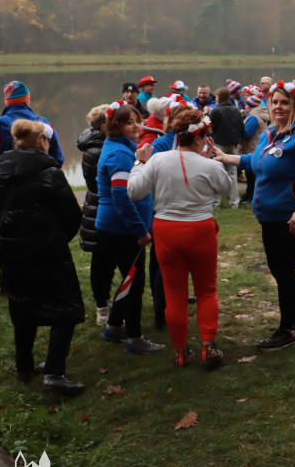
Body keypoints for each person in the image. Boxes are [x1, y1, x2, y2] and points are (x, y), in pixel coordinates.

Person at [214, 81, 295, 351]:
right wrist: (223, 157)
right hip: (271, 217)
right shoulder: (271, 133)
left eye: (284, 102)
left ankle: (287, 330)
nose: (278, 107)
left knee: (284, 271)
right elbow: (254, 161)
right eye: (274, 102)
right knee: (283, 272)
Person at [129, 108, 232, 367]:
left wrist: (138, 163)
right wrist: (212, 161)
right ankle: (208, 346)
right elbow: (226, 188)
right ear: (198, 137)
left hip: (166, 230)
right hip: (200, 228)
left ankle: (180, 352)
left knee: (174, 294)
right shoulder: (209, 164)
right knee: (207, 291)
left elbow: (134, 191)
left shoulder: (158, 160)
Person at [0, 119, 85, 394]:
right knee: (66, 310)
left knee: (23, 306)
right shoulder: (50, 173)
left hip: (12, 249)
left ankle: (24, 366)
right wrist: (55, 238)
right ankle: (55, 373)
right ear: (42, 141)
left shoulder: (1, 169)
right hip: (48, 251)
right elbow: (71, 215)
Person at [95, 101, 164, 355]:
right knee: (134, 284)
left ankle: (113, 327)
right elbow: (121, 197)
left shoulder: (123, 149)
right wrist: (139, 230)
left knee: (128, 280)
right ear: (115, 126)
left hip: (119, 228)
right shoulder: (119, 154)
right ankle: (134, 338)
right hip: (122, 230)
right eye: (129, 122)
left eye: (137, 121)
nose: (136, 126)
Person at [0, 81, 64, 185]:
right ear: (27, 101)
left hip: (5, 195)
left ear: (7, 102)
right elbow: (57, 159)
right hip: (40, 193)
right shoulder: (44, 126)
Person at [77, 104, 113, 325]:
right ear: (104, 126)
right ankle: (103, 307)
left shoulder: (96, 145)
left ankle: (106, 304)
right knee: (102, 263)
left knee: (103, 261)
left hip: (96, 206)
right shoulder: (99, 151)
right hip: (101, 208)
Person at [209, 87, 244, 208]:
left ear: (219, 98)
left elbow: (210, 127)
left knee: (216, 173)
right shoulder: (236, 110)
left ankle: (215, 203)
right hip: (233, 145)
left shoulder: (215, 111)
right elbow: (241, 127)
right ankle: (235, 202)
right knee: (232, 173)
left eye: (217, 96)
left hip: (218, 145)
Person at [239, 93, 270, 204]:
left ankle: (250, 196)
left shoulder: (253, 118)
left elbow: (247, 134)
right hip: (258, 146)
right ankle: (252, 194)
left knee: (250, 175)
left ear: (251, 106)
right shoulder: (261, 115)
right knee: (254, 174)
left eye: (247, 105)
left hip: (252, 148)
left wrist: (239, 124)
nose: (245, 107)